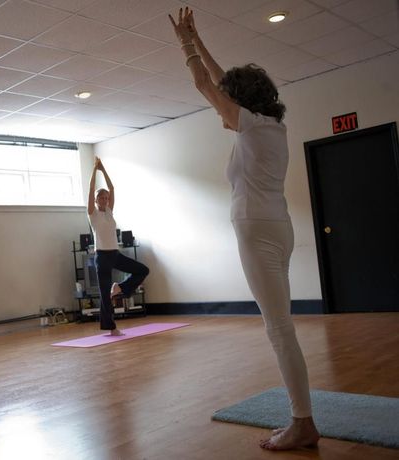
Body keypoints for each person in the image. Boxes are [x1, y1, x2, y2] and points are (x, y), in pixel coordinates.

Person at [169, 8, 320, 450]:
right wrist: (199, 39)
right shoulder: (272, 126)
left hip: (258, 230)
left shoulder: (252, 129)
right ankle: (301, 417)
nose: (221, 106)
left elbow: (204, 84)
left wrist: (185, 45)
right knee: (282, 326)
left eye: (229, 100)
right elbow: (221, 84)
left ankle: (303, 422)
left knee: (279, 330)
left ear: (243, 103)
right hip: (278, 227)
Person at [87, 157, 149, 336]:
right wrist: (94, 169)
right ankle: (112, 328)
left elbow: (112, 188)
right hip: (102, 257)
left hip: (115, 254)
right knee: (104, 293)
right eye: (102, 197)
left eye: (106, 197)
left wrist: (103, 168)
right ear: (97, 200)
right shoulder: (93, 214)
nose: (105, 199)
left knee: (142, 270)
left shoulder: (109, 212)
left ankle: (120, 288)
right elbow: (91, 189)